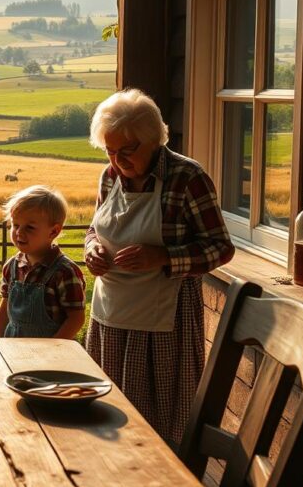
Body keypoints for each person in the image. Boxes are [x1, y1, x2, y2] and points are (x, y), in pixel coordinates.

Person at [84, 89, 234, 446]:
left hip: (161, 324)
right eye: (110, 150)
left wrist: (162, 257)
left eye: (127, 150)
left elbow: (220, 248)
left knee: (154, 423)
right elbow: (95, 228)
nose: (117, 160)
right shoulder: (109, 176)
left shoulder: (186, 178)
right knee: (104, 417)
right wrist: (91, 249)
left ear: (153, 139)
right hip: (109, 317)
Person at [0, 185, 86, 339]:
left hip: (50, 357)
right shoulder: (12, 267)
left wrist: (54, 347)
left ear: (53, 231)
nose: (19, 232)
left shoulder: (64, 272)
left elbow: (76, 318)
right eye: (15, 225)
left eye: (29, 228)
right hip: (12, 349)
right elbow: (5, 307)